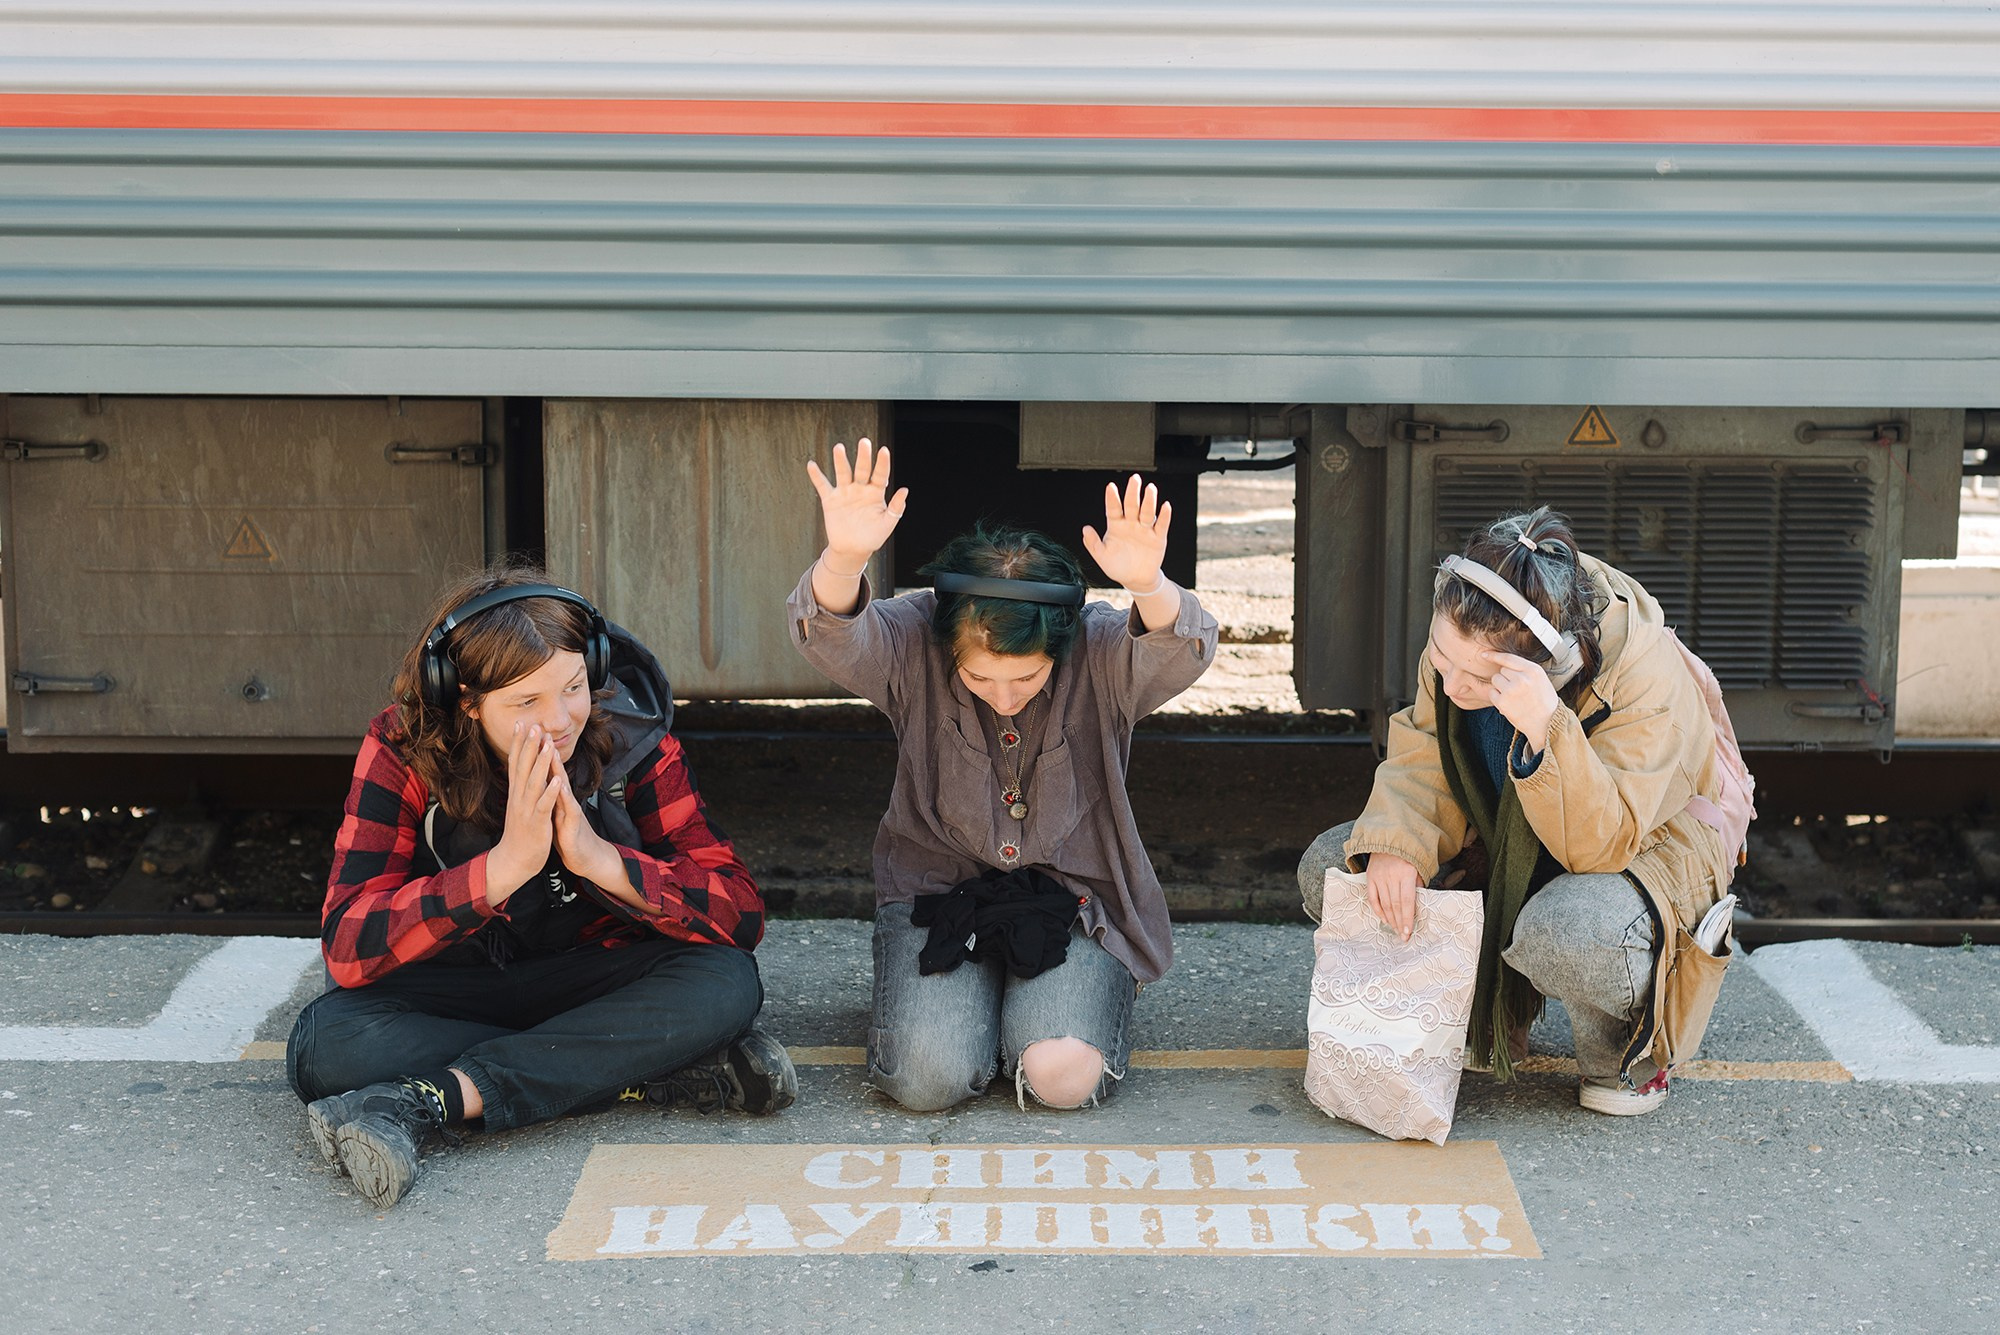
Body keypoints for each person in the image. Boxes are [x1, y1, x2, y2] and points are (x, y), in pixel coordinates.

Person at [288, 566, 794, 1209]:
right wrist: (501, 870)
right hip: (457, 987)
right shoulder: (405, 748)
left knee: (727, 984)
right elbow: (349, 946)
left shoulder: (632, 741)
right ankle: (635, 1070)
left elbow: (740, 916)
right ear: (464, 698)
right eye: (525, 703)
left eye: (574, 687)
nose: (559, 720)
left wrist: (600, 859)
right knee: (322, 1048)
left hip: (593, 973)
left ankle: (431, 1098)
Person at [788, 439, 1218, 1112]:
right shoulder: (912, 638)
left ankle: (1062, 1001)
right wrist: (843, 558)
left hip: (1075, 902)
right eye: (979, 676)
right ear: (945, 642)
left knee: (1061, 1077)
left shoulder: (1100, 648)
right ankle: (957, 1007)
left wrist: (1148, 585)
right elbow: (835, 633)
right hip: (939, 894)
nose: (1005, 694)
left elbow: (1179, 650)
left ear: (1062, 642)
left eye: (1027, 676)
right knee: (928, 1078)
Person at [1298, 508, 1735, 1116]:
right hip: (1508, 832)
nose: (1451, 687)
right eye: (1440, 661)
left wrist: (1547, 731)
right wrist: (1396, 845)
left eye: (1474, 678)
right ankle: (1478, 1012)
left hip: (1634, 858)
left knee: (1567, 934)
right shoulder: (1469, 630)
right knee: (1340, 868)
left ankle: (1627, 1054)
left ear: (1546, 668)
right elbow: (1424, 747)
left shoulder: (1643, 682)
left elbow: (1601, 846)